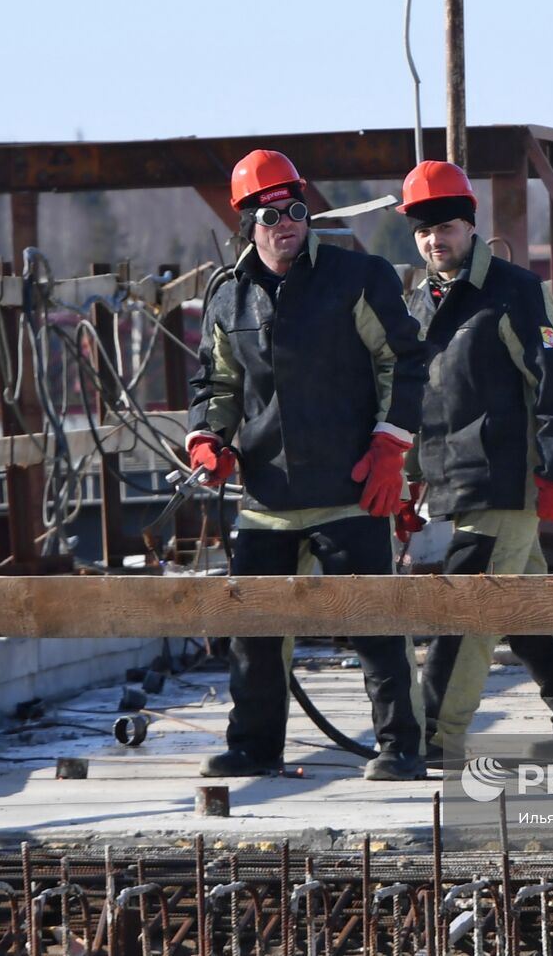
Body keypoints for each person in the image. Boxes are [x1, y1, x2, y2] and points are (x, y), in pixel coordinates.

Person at [186, 148, 429, 781]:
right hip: (266, 498)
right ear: (247, 223)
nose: (287, 221)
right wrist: (208, 440)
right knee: (255, 633)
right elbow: (217, 382)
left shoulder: (358, 278)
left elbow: (402, 362)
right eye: (271, 214)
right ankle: (255, 746)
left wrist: (389, 446)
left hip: (350, 487)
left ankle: (400, 746)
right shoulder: (228, 297)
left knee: (374, 625)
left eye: (296, 207)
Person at [394, 160, 553, 762]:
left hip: (504, 481)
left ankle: (433, 741)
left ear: (470, 225)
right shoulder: (419, 303)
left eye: (444, 227)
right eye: (421, 231)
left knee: (465, 608)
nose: (433, 240)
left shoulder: (515, 292)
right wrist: (407, 480)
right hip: (453, 484)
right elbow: (422, 401)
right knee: (523, 605)